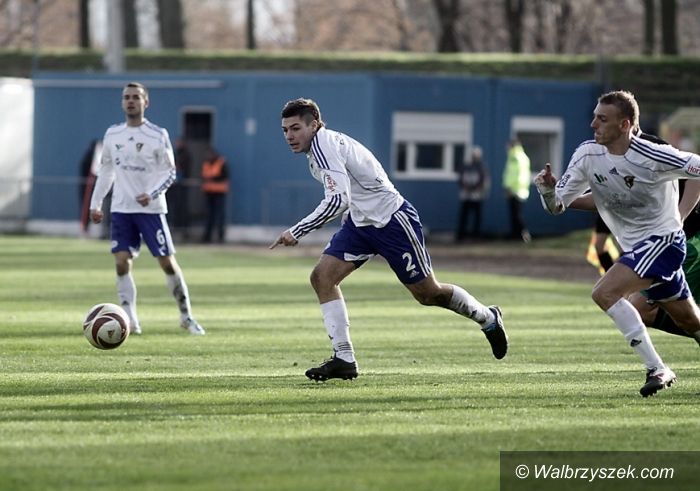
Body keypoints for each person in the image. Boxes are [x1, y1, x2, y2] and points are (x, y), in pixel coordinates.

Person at [269, 98, 508, 382]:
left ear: (315, 125)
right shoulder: (321, 148)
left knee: (428, 294)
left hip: (392, 221)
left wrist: (297, 231)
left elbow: (337, 200)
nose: (289, 136)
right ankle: (344, 358)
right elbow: (352, 193)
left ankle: (487, 318)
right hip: (360, 224)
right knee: (322, 278)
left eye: (295, 128)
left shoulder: (324, 146)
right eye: (285, 130)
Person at [534, 90, 700, 397]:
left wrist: (680, 214)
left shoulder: (654, 154)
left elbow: (697, 168)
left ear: (624, 125)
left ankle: (657, 368)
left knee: (604, 292)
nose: (593, 124)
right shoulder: (587, 155)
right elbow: (557, 206)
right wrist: (547, 191)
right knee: (691, 321)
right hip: (637, 248)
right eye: (594, 117)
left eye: (602, 119)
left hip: (665, 241)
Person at [89, 82, 205, 336]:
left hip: (151, 210)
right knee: (121, 261)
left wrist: (151, 193)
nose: (130, 101)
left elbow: (170, 172)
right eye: (126, 97)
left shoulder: (157, 135)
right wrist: (95, 204)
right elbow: (106, 171)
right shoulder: (113, 134)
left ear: (145, 102)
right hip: (121, 209)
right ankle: (130, 320)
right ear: (122, 103)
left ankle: (186, 316)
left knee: (167, 263)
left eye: (136, 97)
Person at [455, 146, 489, 241]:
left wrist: (476, 189)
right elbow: (461, 179)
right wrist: (466, 188)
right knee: (464, 216)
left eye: (476, 156)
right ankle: (461, 235)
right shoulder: (466, 166)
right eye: (473, 155)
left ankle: (476, 235)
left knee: (477, 217)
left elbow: (483, 181)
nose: (474, 158)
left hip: (477, 196)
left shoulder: (481, 167)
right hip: (466, 195)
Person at [502, 139, 531, 242]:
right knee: (514, 214)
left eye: (508, 146)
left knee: (517, 215)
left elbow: (521, 176)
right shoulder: (513, 157)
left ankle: (524, 235)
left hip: (517, 191)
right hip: (513, 190)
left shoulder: (518, 158)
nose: (506, 148)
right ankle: (515, 235)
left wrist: (511, 188)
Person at [200, 145, 230, 243]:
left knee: (219, 215)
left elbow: (225, 176)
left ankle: (220, 237)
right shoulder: (206, 163)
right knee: (209, 216)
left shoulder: (221, 162)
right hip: (209, 193)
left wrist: (213, 178)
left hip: (219, 192)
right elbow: (203, 175)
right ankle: (207, 237)